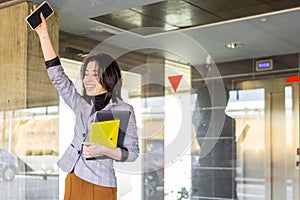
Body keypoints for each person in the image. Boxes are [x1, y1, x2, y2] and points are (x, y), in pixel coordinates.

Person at [31, 6, 139, 200]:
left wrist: (105, 150)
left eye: (94, 74)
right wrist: (43, 34)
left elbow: (132, 153)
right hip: (74, 176)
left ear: (109, 76)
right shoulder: (82, 104)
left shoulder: (123, 109)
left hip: (100, 183)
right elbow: (58, 76)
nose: (87, 79)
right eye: (86, 73)